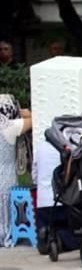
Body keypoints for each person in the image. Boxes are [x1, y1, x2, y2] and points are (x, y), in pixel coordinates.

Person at [0, 95, 31, 246]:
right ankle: (5, 235)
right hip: (5, 178)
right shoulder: (9, 126)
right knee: (6, 209)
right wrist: (23, 112)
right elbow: (36, 119)